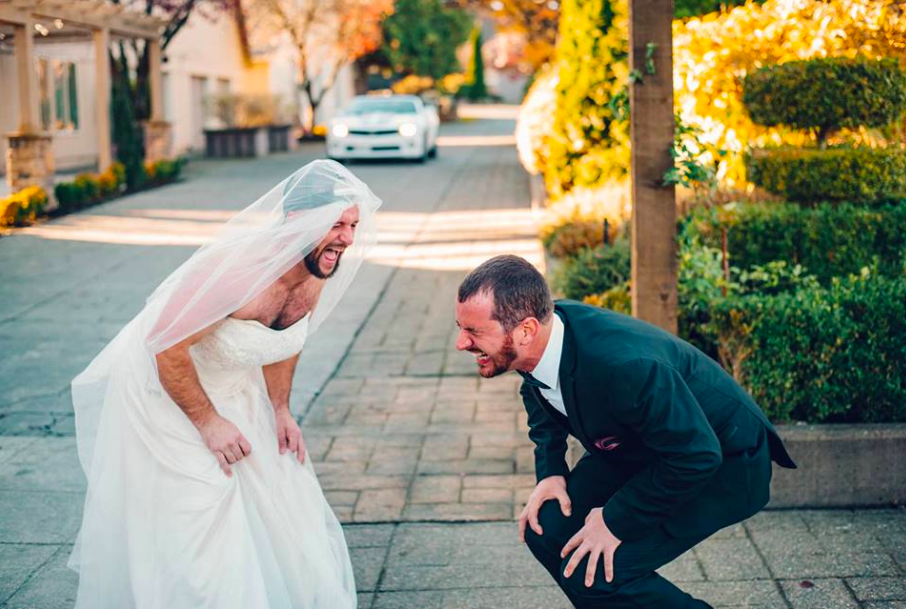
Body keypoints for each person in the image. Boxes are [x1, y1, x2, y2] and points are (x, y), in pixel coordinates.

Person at [68, 160, 382, 608]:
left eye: (353, 225)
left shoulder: (317, 272)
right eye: (336, 224)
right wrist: (208, 422)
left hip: (229, 386)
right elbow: (164, 346)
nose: (347, 238)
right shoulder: (237, 273)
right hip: (161, 391)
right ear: (297, 219)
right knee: (202, 509)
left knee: (275, 497)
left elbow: (284, 339)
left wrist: (279, 409)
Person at [454, 255, 796, 609]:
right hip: (644, 446)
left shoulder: (623, 367)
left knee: (598, 576)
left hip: (725, 463)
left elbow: (697, 455)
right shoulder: (541, 338)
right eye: (461, 328)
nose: (461, 343)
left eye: (474, 332)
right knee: (547, 529)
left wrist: (616, 521)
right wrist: (551, 470)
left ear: (526, 330)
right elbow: (535, 384)